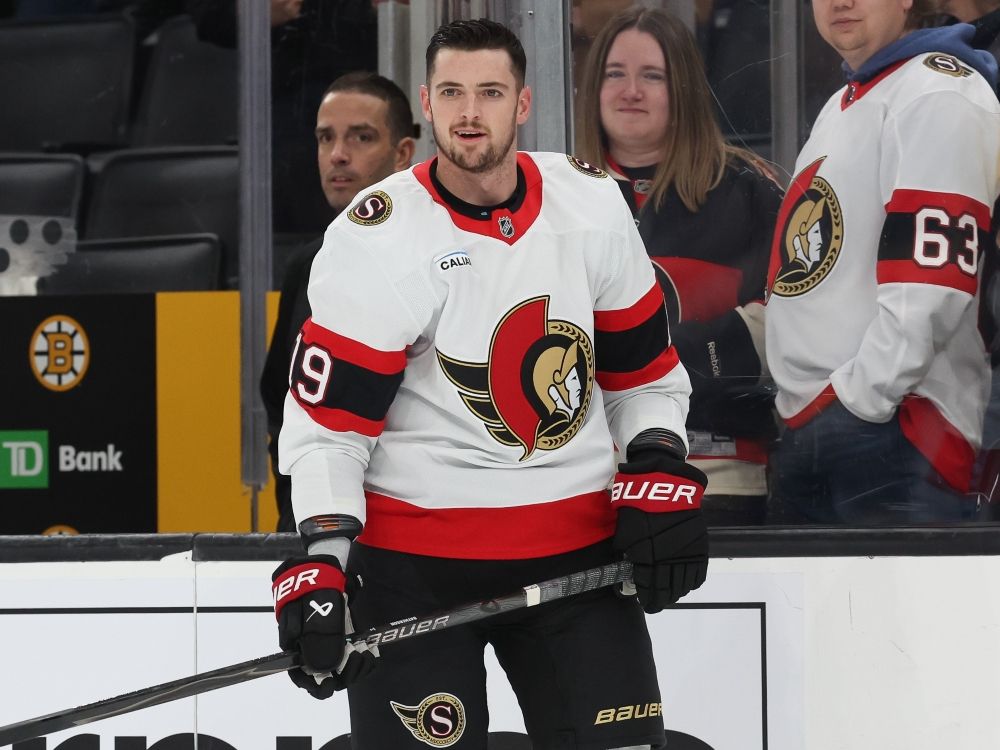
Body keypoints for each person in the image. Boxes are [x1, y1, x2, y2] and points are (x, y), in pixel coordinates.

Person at [270, 18, 710, 750]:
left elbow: (645, 377)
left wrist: (657, 463)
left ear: (524, 103)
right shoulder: (372, 240)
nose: (469, 112)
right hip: (415, 573)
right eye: (451, 92)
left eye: (489, 92)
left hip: (580, 560)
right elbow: (330, 430)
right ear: (427, 102)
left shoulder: (592, 207)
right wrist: (322, 560)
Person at [765, 0, 1000, 523]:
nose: (840, 3)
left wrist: (857, 404)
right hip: (827, 425)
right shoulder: (849, 100)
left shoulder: (938, 91)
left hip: (892, 432)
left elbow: (929, 289)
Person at [576, 6, 784, 525]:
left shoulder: (748, 188)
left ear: (685, 89)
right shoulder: (554, 195)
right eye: (615, 74)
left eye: (653, 77)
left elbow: (794, 317)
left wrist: (674, 360)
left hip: (717, 477)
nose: (631, 92)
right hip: (585, 482)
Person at [260, 71, 416, 532]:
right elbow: (280, 405)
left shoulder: (444, 260)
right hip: (323, 527)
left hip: (421, 532)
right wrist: (299, 521)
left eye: (361, 137)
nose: (338, 154)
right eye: (325, 138)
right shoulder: (306, 266)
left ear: (403, 153)